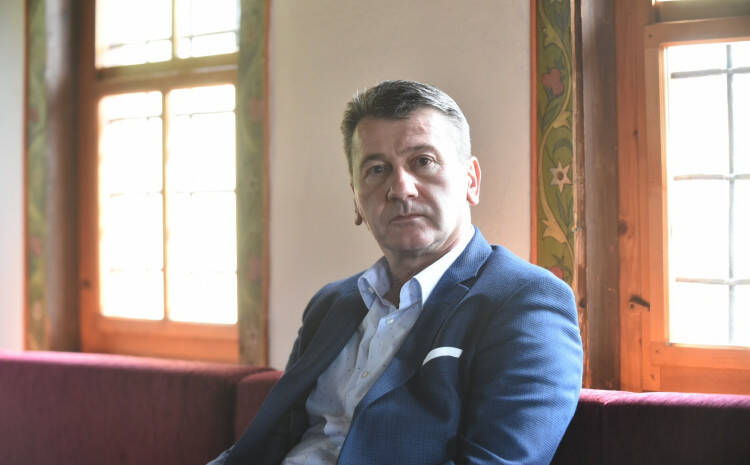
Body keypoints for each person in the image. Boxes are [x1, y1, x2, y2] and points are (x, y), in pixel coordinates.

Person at [209, 80, 583, 465]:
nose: (400, 189)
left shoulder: (526, 302)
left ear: (470, 180)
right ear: (356, 200)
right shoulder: (330, 304)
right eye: (377, 169)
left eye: (423, 161)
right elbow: (268, 441)